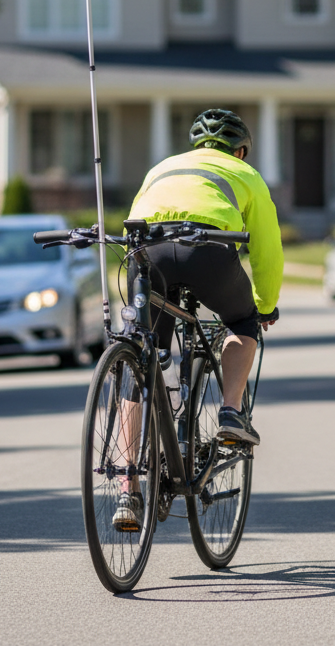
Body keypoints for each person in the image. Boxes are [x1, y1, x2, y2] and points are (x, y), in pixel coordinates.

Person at [113, 107, 284, 532]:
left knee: (142, 359)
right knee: (242, 321)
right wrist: (264, 306)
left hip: (147, 252)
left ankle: (128, 487)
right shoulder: (246, 175)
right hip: (207, 251)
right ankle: (229, 413)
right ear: (240, 150)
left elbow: (133, 221)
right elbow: (268, 250)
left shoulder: (163, 168)